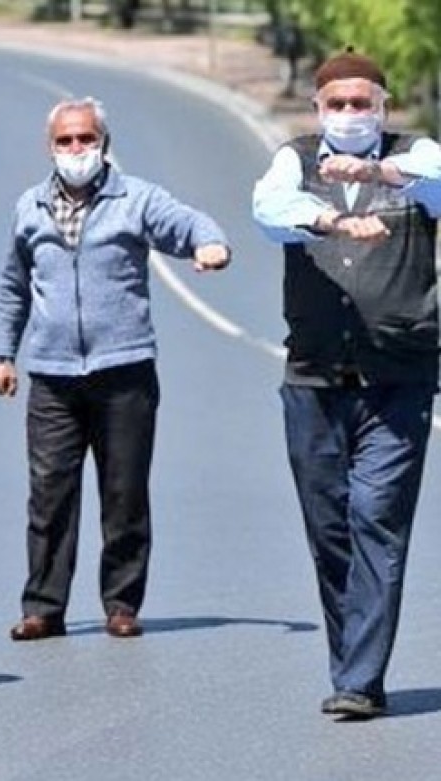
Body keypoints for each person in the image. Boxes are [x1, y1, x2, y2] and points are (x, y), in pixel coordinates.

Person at [0, 97, 231, 643]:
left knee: (123, 493)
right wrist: (2, 354)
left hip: (124, 372)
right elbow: (12, 285)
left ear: (104, 143)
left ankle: (122, 603)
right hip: (52, 376)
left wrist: (210, 243)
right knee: (49, 495)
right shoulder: (29, 207)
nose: (77, 149)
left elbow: (186, 223)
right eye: (65, 141)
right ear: (50, 147)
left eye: (86, 139)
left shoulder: (134, 198)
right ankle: (43, 607)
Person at [251, 49, 441, 720]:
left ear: (384, 107)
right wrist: (328, 218)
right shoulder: (295, 161)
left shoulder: (416, 157)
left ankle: (358, 680)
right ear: (319, 109)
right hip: (314, 377)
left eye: (364, 103)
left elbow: (438, 182)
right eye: (339, 104)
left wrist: (378, 170)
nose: (352, 114)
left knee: (377, 519)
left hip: (401, 375)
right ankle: (356, 666)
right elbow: (270, 210)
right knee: (330, 527)